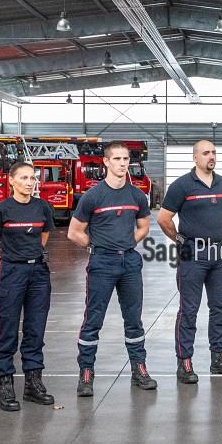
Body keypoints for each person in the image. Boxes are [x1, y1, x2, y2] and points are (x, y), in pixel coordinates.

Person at [67, 140, 156, 397]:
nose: (122, 163)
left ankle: (139, 368)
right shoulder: (93, 196)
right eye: (116, 159)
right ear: (106, 162)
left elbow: (143, 227)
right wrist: (97, 246)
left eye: (125, 159)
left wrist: (128, 244)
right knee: (93, 320)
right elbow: (74, 232)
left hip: (129, 262)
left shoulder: (137, 195)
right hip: (102, 263)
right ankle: (86, 372)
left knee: (134, 320)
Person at [159, 140, 222, 383]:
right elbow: (164, 219)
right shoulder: (182, 185)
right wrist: (180, 239)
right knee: (189, 310)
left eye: (214, 152)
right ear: (195, 157)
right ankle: (184, 362)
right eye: (206, 153)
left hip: (219, 254)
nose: (211, 156)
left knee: (220, 308)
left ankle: (219, 358)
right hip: (192, 253)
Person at [0, 160, 56, 410]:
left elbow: (44, 235)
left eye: (32, 178)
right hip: (12, 272)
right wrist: (2, 262)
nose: (29, 183)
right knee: (7, 331)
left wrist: (33, 254)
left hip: (38, 272)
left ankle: (32, 384)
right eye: (24, 178)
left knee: (35, 329)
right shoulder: (1, 209)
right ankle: (5, 385)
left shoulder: (42, 207)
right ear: (11, 181)